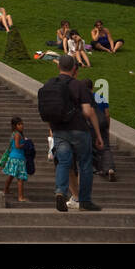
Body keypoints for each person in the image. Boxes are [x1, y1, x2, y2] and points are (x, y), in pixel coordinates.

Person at [39, 55, 104, 212]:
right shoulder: (79, 85)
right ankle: (85, 201)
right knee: (85, 165)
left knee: (63, 162)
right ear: (74, 69)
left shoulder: (50, 85)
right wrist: (98, 135)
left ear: (58, 67)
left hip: (59, 130)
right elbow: (88, 112)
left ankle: (60, 191)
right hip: (79, 130)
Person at [1, 117, 29, 204]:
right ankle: (21, 197)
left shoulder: (15, 133)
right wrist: (25, 143)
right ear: (15, 126)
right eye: (19, 124)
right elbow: (17, 146)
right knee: (20, 178)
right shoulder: (17, 135)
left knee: (11, 175)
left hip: (13, 157)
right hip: (18, 158)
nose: (22, 126)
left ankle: (5, 190)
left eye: (22, 124)